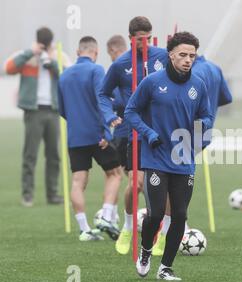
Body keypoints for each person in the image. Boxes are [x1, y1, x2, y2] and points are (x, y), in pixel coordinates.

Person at [126, 31, 213, 280]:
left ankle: (165, 268)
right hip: (156, 156)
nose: (188, 60)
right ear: (171, 55)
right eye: (183, 55)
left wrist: (202, 125)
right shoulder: (152, 82)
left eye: (192, 56)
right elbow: (131, 111)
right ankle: (145, 251)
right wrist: (149, 133)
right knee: (154, 215)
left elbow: (207, 115)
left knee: (180, 215)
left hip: (184, 159)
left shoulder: (199, 85)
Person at [99, 17, 168, 255]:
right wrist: (109, 116)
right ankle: (127, 228)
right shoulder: (121, 64)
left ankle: (163, 234)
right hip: (135, 132)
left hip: (162, 131)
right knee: (136, 184)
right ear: (131, 38)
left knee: (164, 187)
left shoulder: (163, 56)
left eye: (148, 38)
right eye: (141, 39)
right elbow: (103, 94)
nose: (145, 43)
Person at [151, 54, 233, 256]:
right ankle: (177, 224)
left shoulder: (192, 73)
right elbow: (227, 98)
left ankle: (174, 226)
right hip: (205, 132)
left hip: (185, 132)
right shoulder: (215, 68)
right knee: (178, 177)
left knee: (172, 178)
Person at [58, 36, 122, 241]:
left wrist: (77, 123)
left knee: (78, 181)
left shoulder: (64, 75)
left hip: (75, 135)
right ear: (95, 53)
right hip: (97, 134)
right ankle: (105, 215)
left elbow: (62, 109)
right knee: (115, 173)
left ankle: (84, 229)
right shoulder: (97, 70)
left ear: (78, 52)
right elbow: (101, 99)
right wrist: (105, 131)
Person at [4, 27, 66, 207]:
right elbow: (9, 68)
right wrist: (31, 52)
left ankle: (52, 194)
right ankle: (27, 195)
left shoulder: (58, 55)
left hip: (53, 110)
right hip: (33, 110)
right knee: (30, 155)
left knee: (54, 155)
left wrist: (51, 61)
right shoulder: (27, 55)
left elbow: (67, 75)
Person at [106, 35, 129, 226]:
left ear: (114, 50)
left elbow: (121, 101)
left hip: (124, 134)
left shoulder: (120, 68)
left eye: (110, 54)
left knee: (116, 175)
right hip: (124, 134)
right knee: (119, 175)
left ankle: (111, 217)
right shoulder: (132, 65)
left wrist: (112, 103)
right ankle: (111, 216)